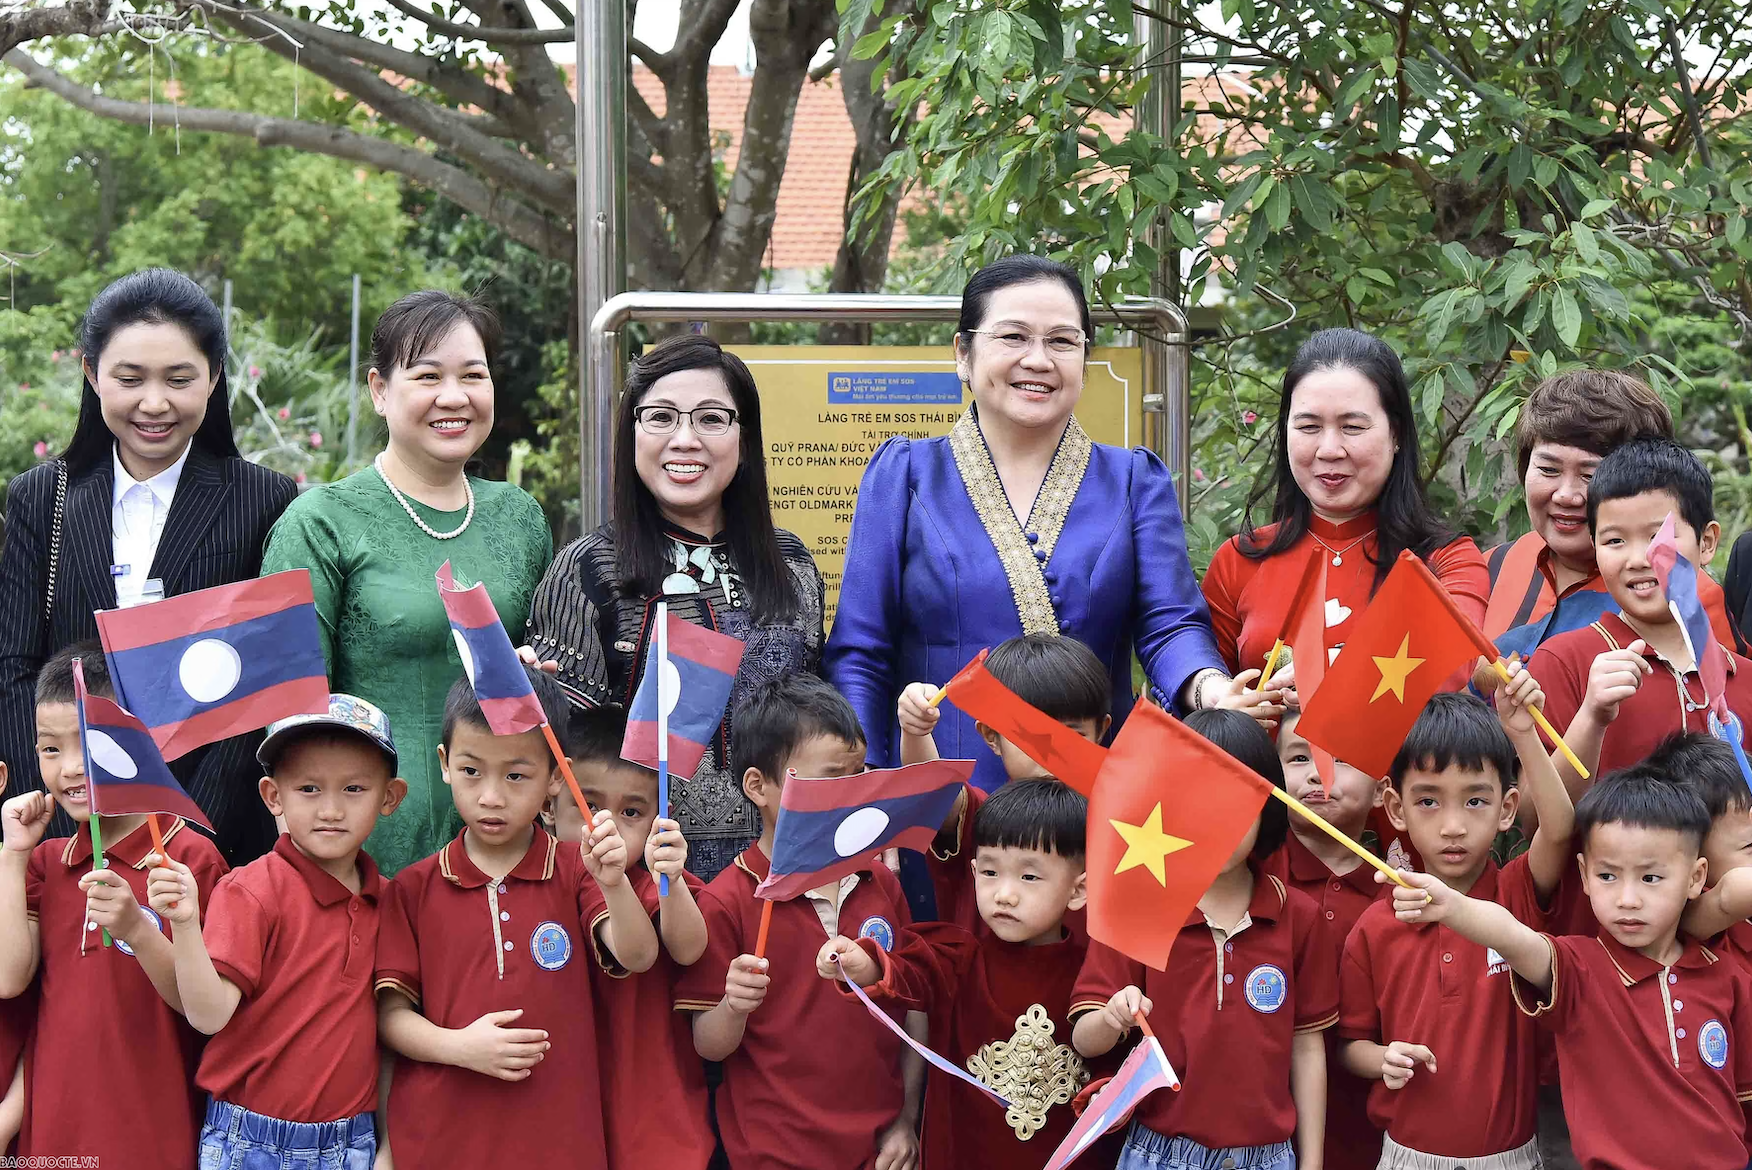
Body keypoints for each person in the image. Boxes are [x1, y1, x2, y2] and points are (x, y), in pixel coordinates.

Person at [828, 255, 1277, 800]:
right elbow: (861, 650)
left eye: (1063, 341)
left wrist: (1210, 690)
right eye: (1013, 336)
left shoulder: (1133, 480)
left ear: (1085, 362)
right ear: (962, 354)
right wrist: (866, 793)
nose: (1038, 360)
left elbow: (1169, 625)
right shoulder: (905, 476)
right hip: (937, 801)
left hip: (1096, 794)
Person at [0, 269, 298, 863]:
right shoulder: (42, 498)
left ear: (214, 377)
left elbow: (261, 688)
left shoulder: (264, 500)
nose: (154, 403)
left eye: (179, 379)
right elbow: (15, 668)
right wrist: (60, 815)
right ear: (91, 372)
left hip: (207, 840)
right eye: (129, 379)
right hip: (65, 838)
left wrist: (189, 835)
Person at [261, 290, 551, 876]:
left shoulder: (520, 517)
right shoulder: (320, 522)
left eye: (474, 375)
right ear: (379, 389)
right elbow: (287, 711)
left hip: (503, 848)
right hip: (367, 855)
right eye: (427, 376)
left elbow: (546, 678)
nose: (455, 397)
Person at [524, 334, 825, 883]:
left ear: (745, 436)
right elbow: (564, 753)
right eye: (661, 417)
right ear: (632, 432)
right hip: (636, 877)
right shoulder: (590, 567)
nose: (685, 440)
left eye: (712, 419)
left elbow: (816, 722)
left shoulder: (792, 563)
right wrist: (535, 690)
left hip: (780, 868)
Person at [1391, 770, 1752, 1170]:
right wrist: (1452, 906)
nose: (1627, 899)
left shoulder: (1726, 975)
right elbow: (1515, 938)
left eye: (1651, 877)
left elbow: (1740, 1099)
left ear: (1695, 878)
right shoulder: (1579, 969)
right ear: (1583, 875)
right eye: (1608, 876)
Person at [373, 669, 657, 1169]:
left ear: (554, 778)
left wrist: (613, 882)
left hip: (557, 1141)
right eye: (472, 771)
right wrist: (461, 1047)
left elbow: (637, 955)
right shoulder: (413, 888)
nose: (491, 797)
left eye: (516, 775)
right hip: (441, 1140)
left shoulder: (576, 870)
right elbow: (391, 1019)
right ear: (444, 764)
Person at [145, 695, 408, 1168]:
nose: (330, 809)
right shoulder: (250, 890)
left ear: (389, 797)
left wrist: (386, 1145)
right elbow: (208, 1016)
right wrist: (185, 926)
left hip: (352, 1142)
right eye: (308, 788)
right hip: (249, 1141)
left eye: (354, 789)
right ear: (273, 796)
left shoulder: (389, 900)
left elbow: (387, 1036)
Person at [673, 676, 923, 1170]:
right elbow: (708, 1044)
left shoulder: (878, 882)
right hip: (773, 1152)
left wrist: (908, 1119)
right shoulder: (727, 899)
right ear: (758, 786)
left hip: (882, 1149)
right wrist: (734, 1006)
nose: (853, 792)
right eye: (833, 777)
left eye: (859, 772)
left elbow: (915, 1007)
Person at [1071, 709, 1335, 1170]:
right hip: (1156, 1152)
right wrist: (1113, 1017)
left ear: (1267, 807)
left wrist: (1310, 1164)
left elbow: (1308, 1049)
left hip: (1268, 1157)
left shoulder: (1300, 917)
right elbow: (1083, 1039)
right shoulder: (1139, 906)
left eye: (1234, 805)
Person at [0, 645, 228, 1167]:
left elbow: (205, 1010)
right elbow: (9, 978)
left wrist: (138, 929)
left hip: (154, 1128)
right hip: (57, 1133)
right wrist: (13, 856)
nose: (70, 768)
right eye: (50, 750)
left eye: (88, 743)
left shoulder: (189, 858)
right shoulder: (47, 863)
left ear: (135, 741)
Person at [1337, 684, 1574, 1170]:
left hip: (1514, 1157)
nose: (1452, 826)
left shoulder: (1518, 893)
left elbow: (1560, 829)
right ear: (1396, 807)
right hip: (1406, 1157)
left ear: (1507, 809)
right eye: (1428, 801)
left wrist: (1524, 735)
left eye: (1474, 801)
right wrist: (1382, 1058)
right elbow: (1348, 1048)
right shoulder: (1374, 927)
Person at [818, 779, 1103, 1170]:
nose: (1004, 893)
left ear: (1078, 890)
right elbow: (907, 973)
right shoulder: (958, 957)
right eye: (990, 872)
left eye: (1029, 877)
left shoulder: (1096, 975)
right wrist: (864, 963)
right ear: (971, 872)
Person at [1203, 327, 1489, 685]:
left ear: (1396, 434)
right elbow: (1214, 715)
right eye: (1308, 426)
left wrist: (1323, 683)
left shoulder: (1449, 560)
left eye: (1352, 427)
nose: (1329, 449)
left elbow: (1446, 670)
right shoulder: (1238, 562)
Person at [1528, 438, 1752, 793]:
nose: (1638, 559)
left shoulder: (1745, 677)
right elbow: (1533, 819)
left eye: (1658, 537)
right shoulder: (1563, 663)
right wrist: (1592, 717)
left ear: (1706, 542)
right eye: (1614, 541)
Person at [1480, 369, 1744, 659]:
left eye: (1590, 475)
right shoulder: (1493, 566)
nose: (1566, 495)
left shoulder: (1684, 592)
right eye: (1548, 470)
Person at [563, 707, 714, 1170]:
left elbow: (683, 948)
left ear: (657, 818)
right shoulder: (540, 872)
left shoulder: (649, 879)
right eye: (588, 805)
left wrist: (671, 880)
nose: (605, 827)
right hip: (566, 1114)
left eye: (631, 811)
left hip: (653, 1115)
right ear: (552, 798)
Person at [899, 633, 1108, 936]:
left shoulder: (1125, 827)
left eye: (1072, 735)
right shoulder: (983, 816)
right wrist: (915, 731)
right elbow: (933, 792)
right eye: (1029, 736)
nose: (1052, 753)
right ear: (990, 736)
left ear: (1101, 731)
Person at [1264, 711, 1389, 1170]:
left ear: (1383, 789)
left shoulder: (1399, 895)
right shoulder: (1251, 879)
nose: (1318, 772)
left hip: (1371, 1133)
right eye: (1298, 757)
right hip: (1262, 1132)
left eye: (1343, 759)